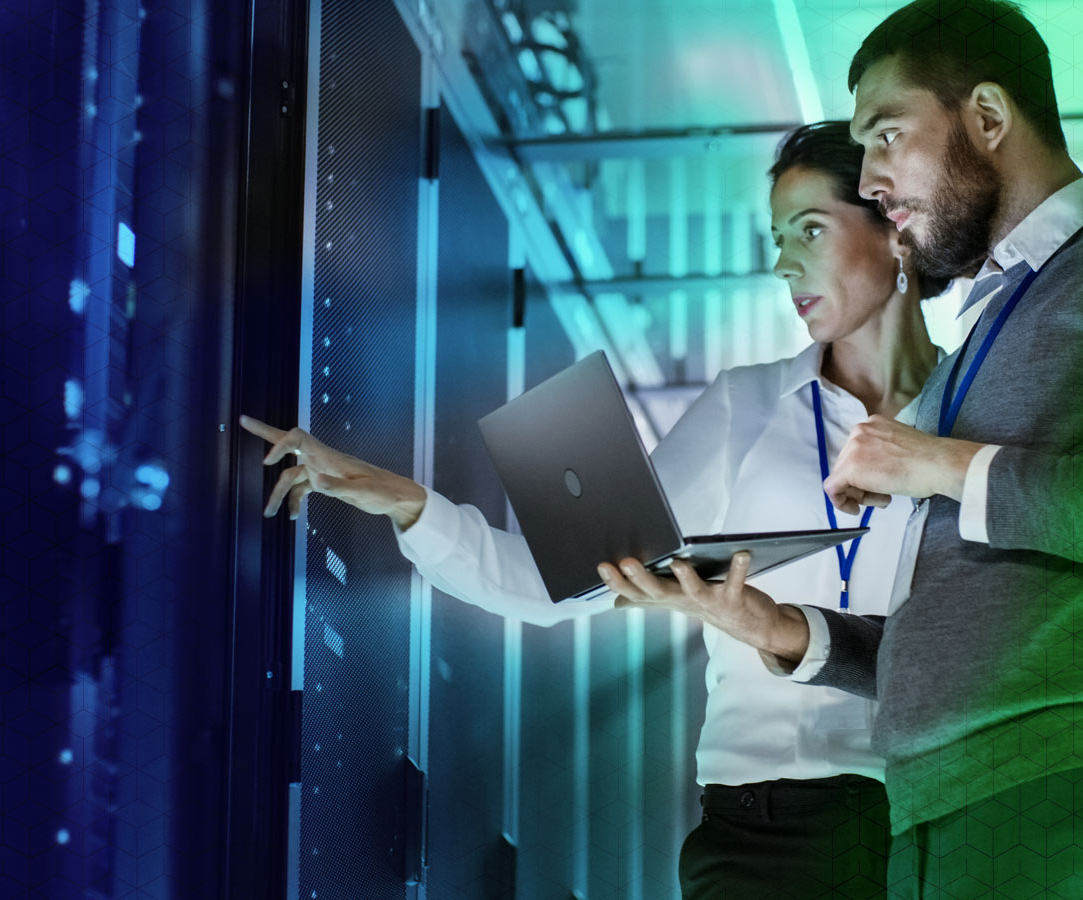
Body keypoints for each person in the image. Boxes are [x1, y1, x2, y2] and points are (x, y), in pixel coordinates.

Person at [241, 120, 951, 898]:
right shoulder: (743, 407)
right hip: (756, 831)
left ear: (895, 228)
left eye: (810, 229)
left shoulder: (971, 425)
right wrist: (410, 505)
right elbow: (562, 586)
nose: (785, 264)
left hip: (924, 826)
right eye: (778, 237)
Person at [622, 1, 1083, 897]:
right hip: (927, 818)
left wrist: (938, 463)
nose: (870, 179)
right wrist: (782, 631)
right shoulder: (987, 325)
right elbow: (955, 631)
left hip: (1061, 796)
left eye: (887, 136)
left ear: (986, 117)